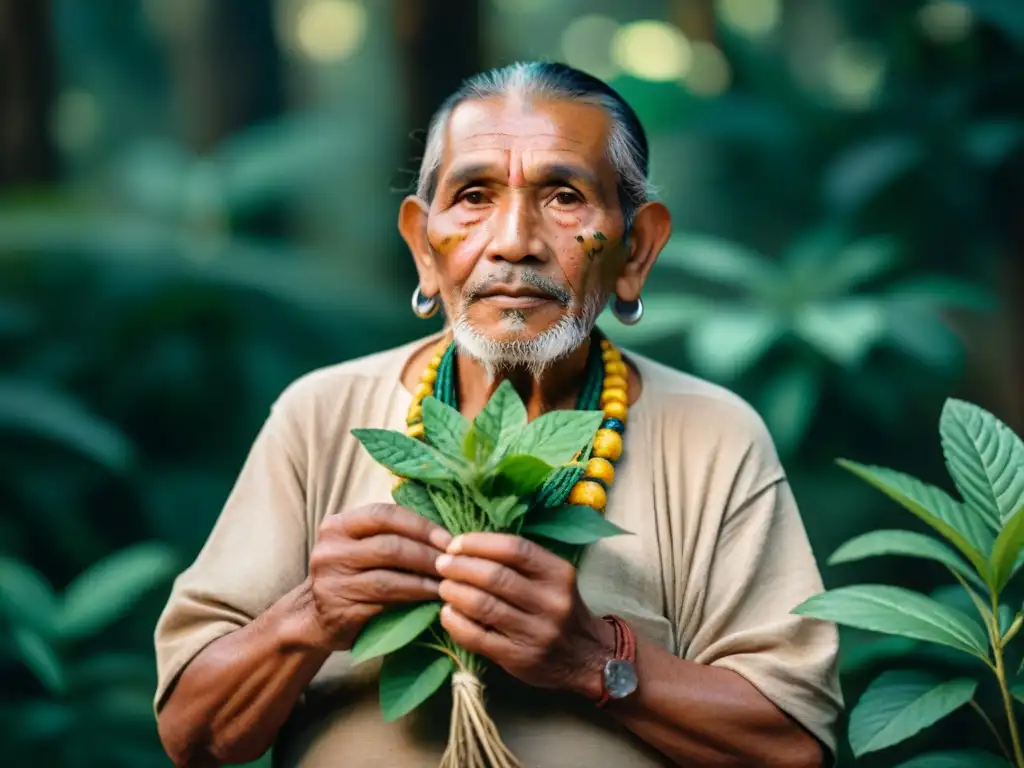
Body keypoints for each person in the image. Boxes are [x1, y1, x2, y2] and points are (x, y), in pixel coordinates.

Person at [153, 61, 842, 767]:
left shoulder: (711, 435)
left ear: (634, 250)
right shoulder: (320, 413)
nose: (515, 240)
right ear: (425, 247)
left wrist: (591, 658)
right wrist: (308, 616)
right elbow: (193, 734)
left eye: (565, 196)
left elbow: (792, 748)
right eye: (475, 196)